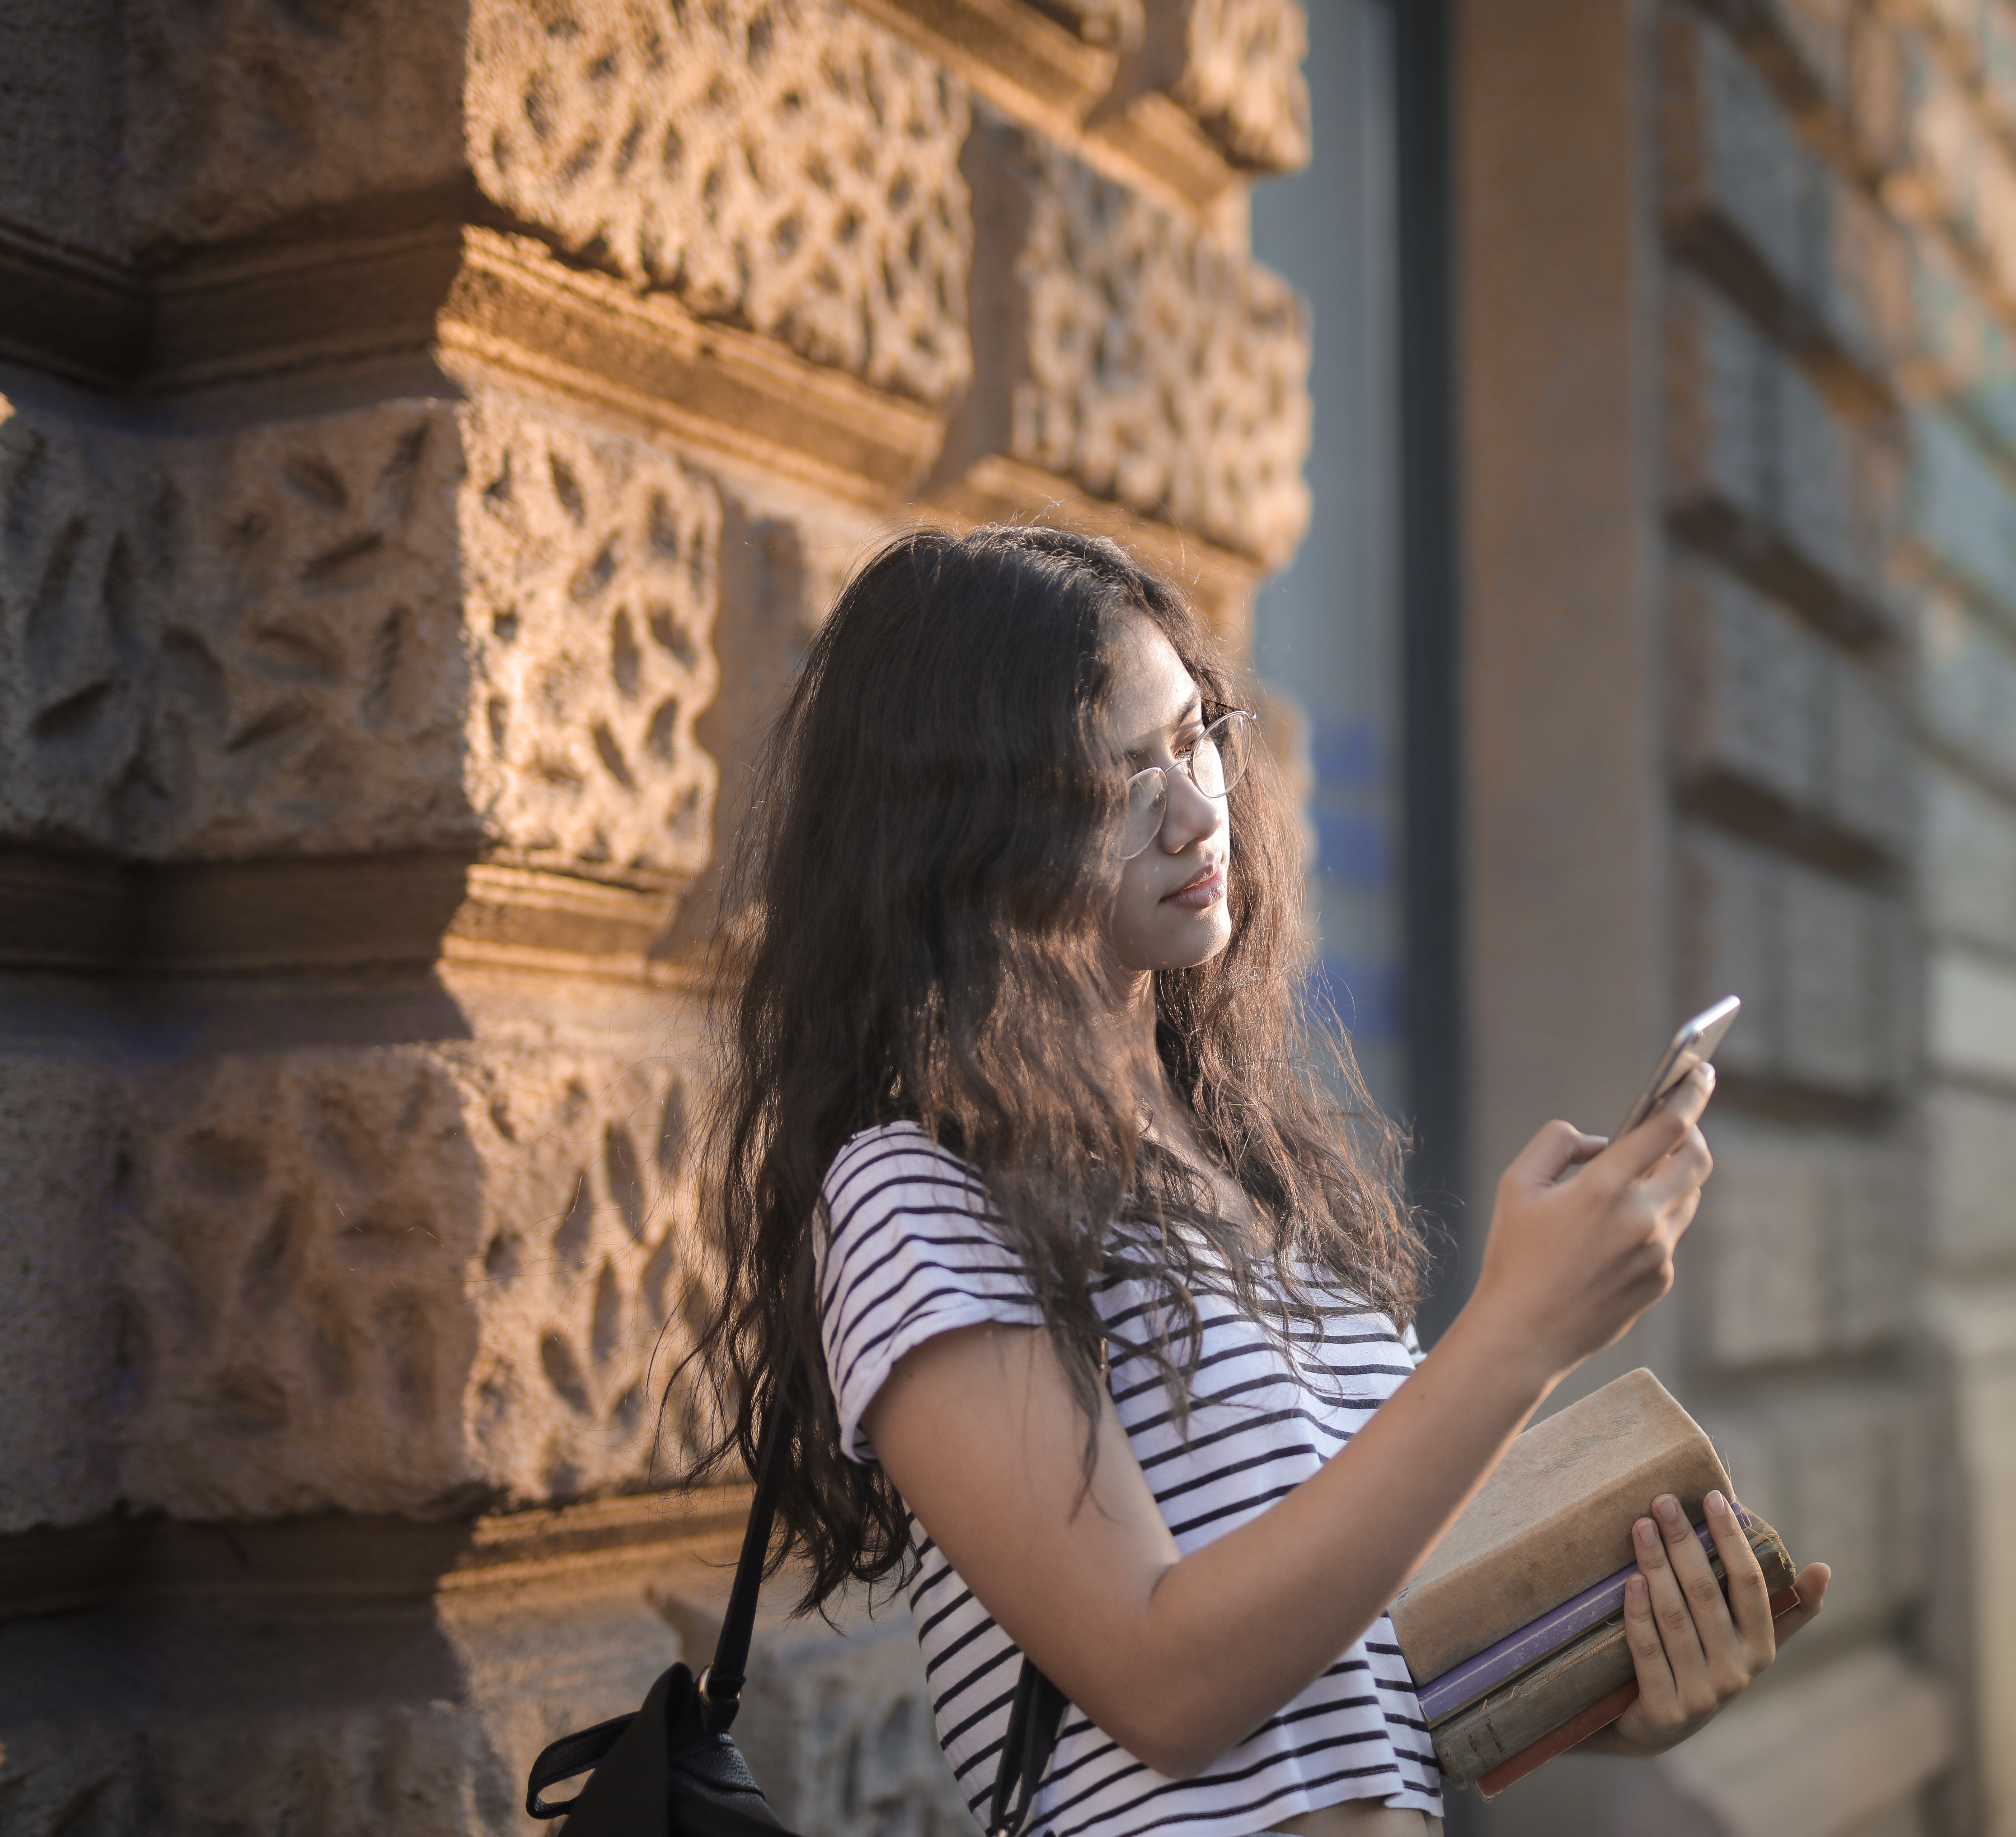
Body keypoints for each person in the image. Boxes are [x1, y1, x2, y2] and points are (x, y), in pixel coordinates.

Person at [690, 526, 1830, 1837]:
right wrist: (1522, 1330)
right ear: (970, 835)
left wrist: (1616, 1689)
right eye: (1117, 782)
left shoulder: (1256, 1177)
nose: (1195, 810)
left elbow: (1372, 1674)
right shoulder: (918, 1191)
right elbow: (1166, 1684)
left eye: (1194, 737)